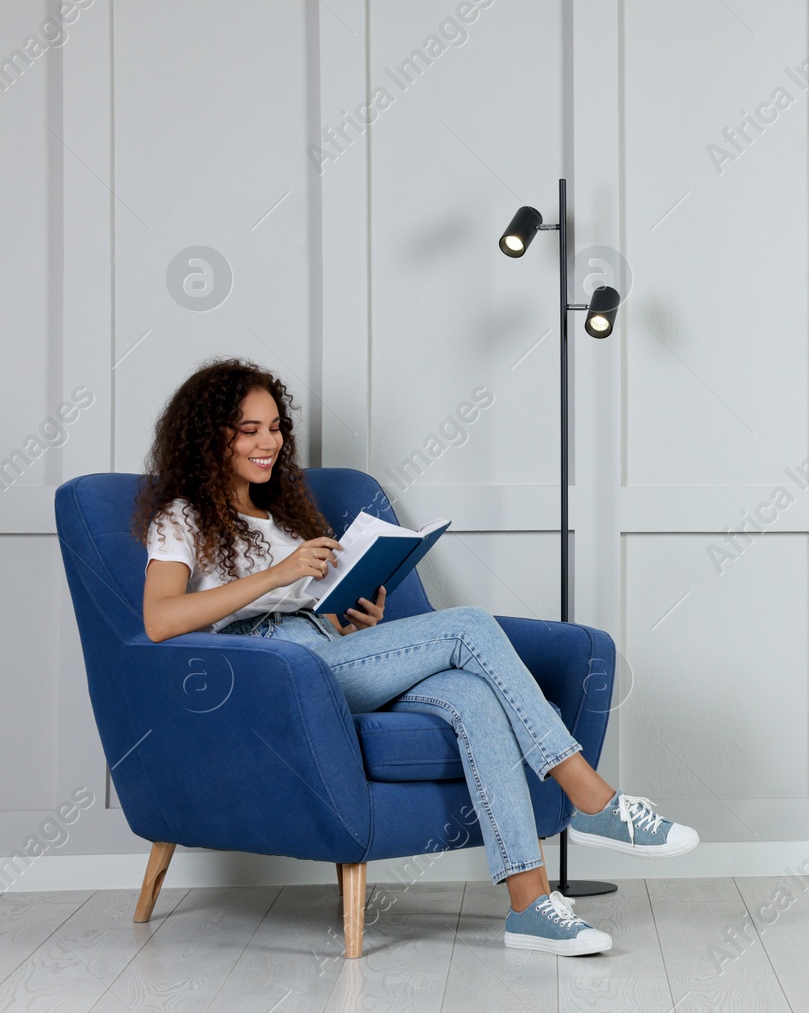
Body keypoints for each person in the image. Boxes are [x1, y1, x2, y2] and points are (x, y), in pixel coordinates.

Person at [134, 357, 695, 956]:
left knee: (475, 696)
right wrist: (278, 575)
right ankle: (591, 799)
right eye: (250, 430)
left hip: (329, 656)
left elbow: (309, 615)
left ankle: (530, 905)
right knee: (468, 628)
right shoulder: (182, 516)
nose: (269, 442)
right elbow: (160, 618)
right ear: (208, 435)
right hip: (273, 676)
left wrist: (354, 619)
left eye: (275, 427)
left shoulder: (282, 517)